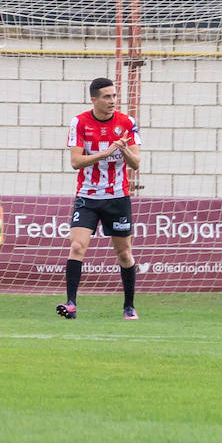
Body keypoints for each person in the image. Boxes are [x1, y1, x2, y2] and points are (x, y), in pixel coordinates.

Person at [59, 77, 142, 320]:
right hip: (87, 196)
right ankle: (71, 304)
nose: (112, 101)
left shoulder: (127, 122)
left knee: (124, 254)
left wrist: (124, 148)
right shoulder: (80, 122)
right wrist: (106, 152)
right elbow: (76, 162)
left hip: (117, 197)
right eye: (107, 97)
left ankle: (129, 306)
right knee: (76, 246)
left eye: (114, 96)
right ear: (93, 99)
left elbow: (136, 163)